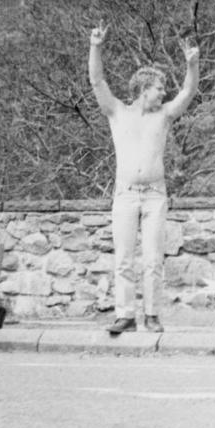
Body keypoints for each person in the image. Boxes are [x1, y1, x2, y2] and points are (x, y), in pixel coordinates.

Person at [89, 24, 199, 335]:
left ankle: (152, 315)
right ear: (143, 89)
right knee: (123, 258)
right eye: (159, 88)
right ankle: (125, 315)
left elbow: (188, 92)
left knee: (153, 259)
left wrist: (192, 64)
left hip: (154, 195)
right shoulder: (118, 112)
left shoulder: (163, 115)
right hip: (125, 194)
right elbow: (97, 80)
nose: (164, 93)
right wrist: (95, 46)